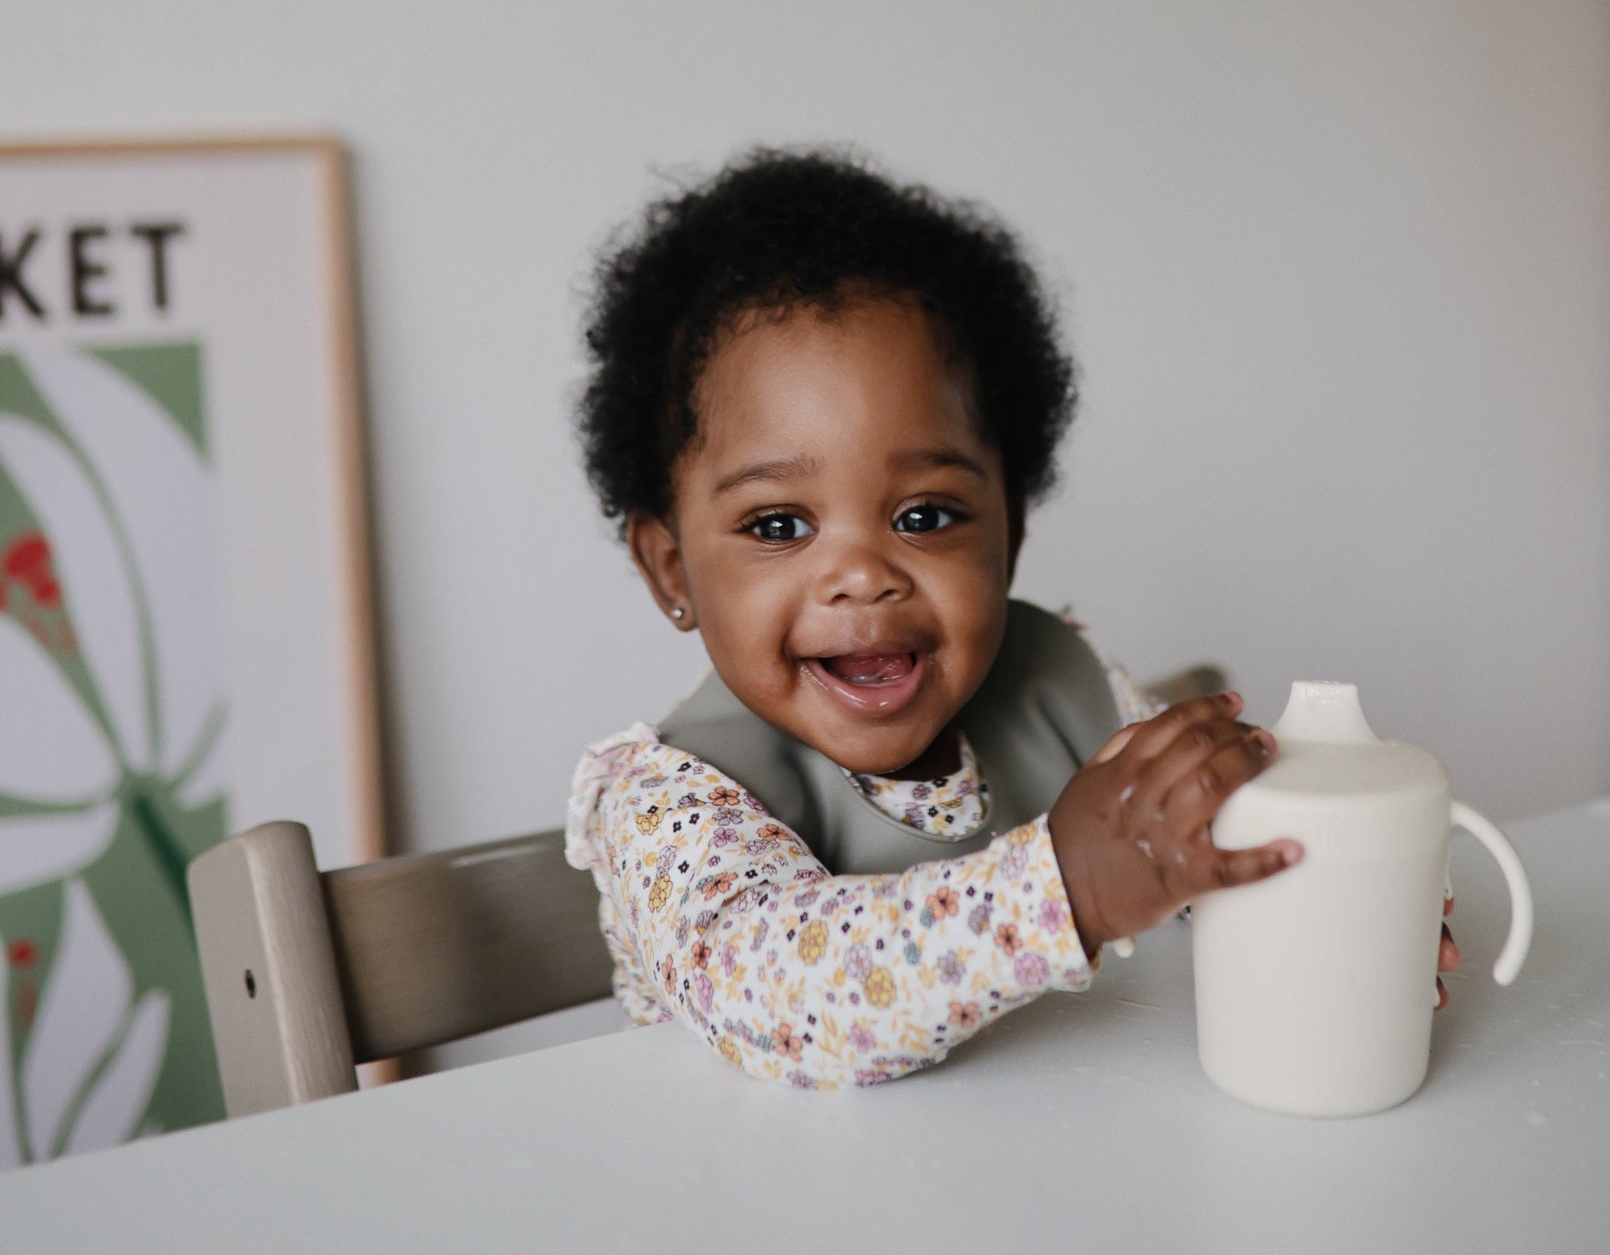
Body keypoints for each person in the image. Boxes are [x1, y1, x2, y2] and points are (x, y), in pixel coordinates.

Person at [565, 148, 1453, 1087]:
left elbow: (1188, 845)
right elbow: (787, 996)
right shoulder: (669, 802)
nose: (863, 576)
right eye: (779, 525)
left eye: (926, 516)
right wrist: (1067, 885)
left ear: (1010, 533)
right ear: (672, 568)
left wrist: (1320, 891)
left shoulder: (1055, 681)